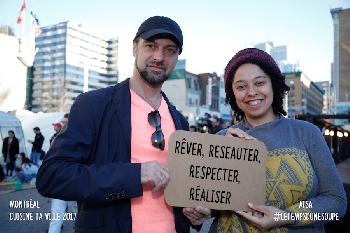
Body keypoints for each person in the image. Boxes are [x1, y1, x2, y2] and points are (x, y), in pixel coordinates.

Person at [36, 16, 209, 233]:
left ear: (176, 57)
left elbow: (184, 193)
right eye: (151, 46)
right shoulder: (94, 105)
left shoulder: (180, 122)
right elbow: (51, 176)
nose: (159, 56)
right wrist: (136, 174)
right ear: (135, 47)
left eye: (170, 50)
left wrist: (194, 213)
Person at [208, 48, 347, 232]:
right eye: (241, 87)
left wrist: (286, 216)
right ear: (232, 94)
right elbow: (209, 203)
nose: (251, 92)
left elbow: (336, 204)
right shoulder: (221, 139)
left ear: (273, 84)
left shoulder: (308, 133)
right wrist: (199, 211)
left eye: (259, 83)